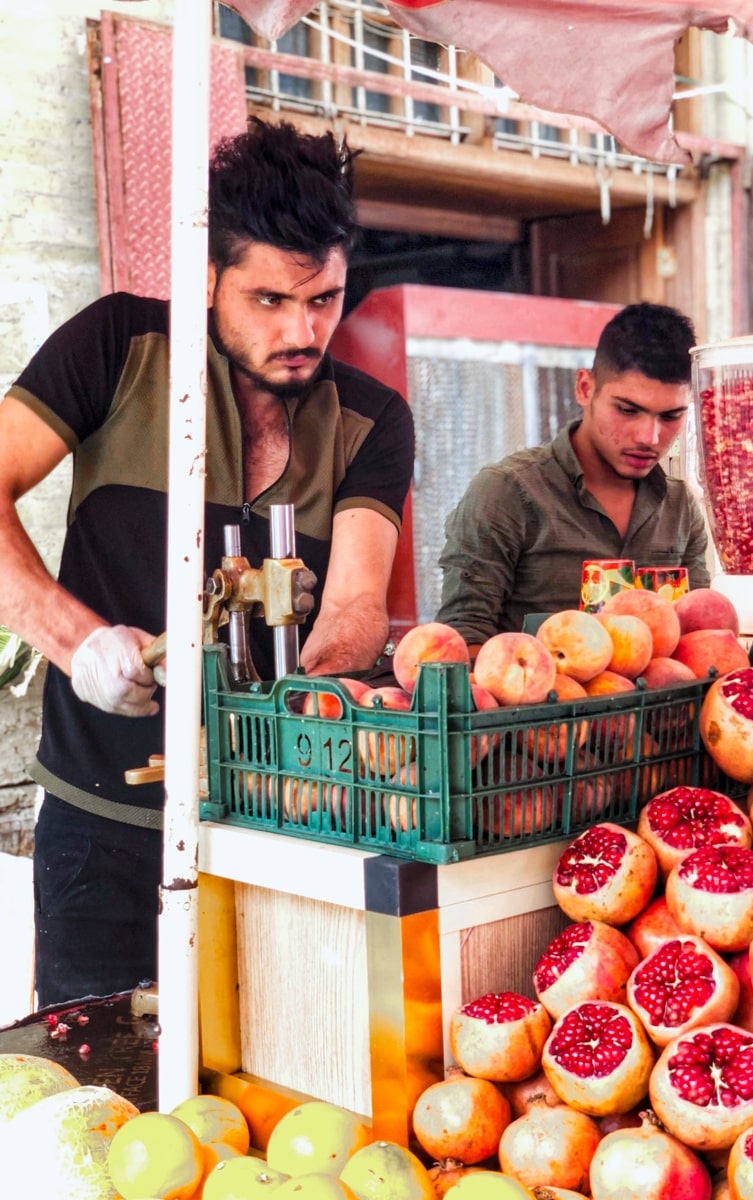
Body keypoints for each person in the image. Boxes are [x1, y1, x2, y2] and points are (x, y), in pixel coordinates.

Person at [0, 118, 414, 1006]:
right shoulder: (118, 349)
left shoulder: (373, 420)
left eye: (325, 299)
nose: (303, 331)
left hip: (280, 827)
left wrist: (288, 719)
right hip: (102, 826)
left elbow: (352, 608)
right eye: (269, 300)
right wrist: (83, 646)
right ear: (208, 276)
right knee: (96, 1087)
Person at [436, 303, 708, 651]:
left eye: (670, 416)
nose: (649, 437)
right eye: (627, 410)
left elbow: (697, 640)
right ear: (584, 388)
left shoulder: (680, 508)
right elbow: (459, 646)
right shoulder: (506, 493)